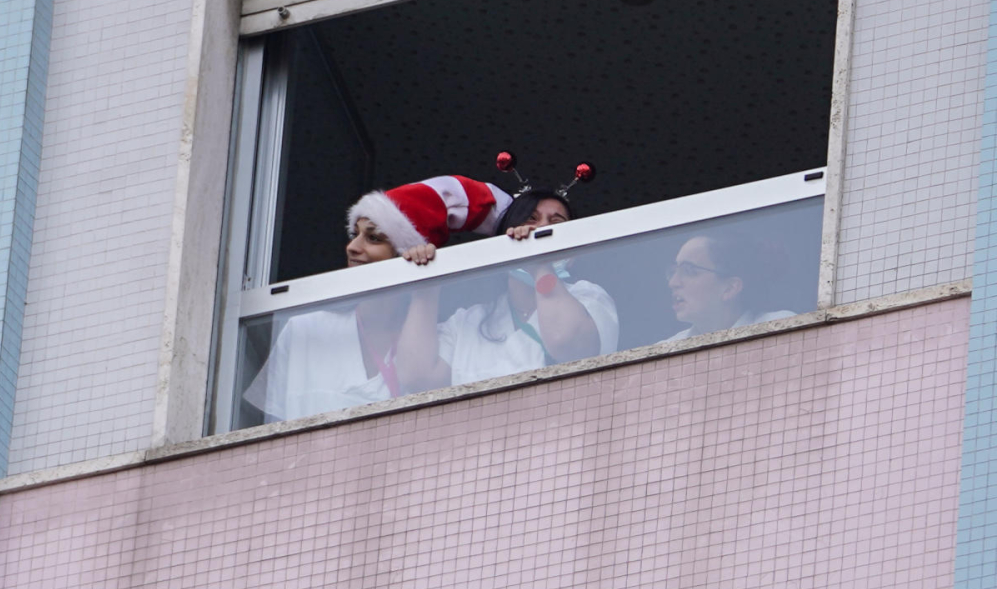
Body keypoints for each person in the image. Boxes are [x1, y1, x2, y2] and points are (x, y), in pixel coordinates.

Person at [244, 175, 510, 423]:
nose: (353, 247)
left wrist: (426, 285)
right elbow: (260, 432)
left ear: (405, 254)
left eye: (373, 237)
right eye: (355, 234)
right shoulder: (307, 329)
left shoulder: (441, 343)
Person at [438, 187, 620, 386]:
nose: (541, 229)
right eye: (531, 220)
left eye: (556, 222)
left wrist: (539, 262)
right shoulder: (467, 322)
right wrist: (424, 276)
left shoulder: (589, 298)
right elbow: (416, 379)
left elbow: (566, 342)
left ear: (572, 258)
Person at [656, 230, 795, 344]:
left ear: (730, 288)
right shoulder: (667, 348)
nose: (673, 282)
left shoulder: (781, 327)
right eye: (673, 271)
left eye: (689, 270)